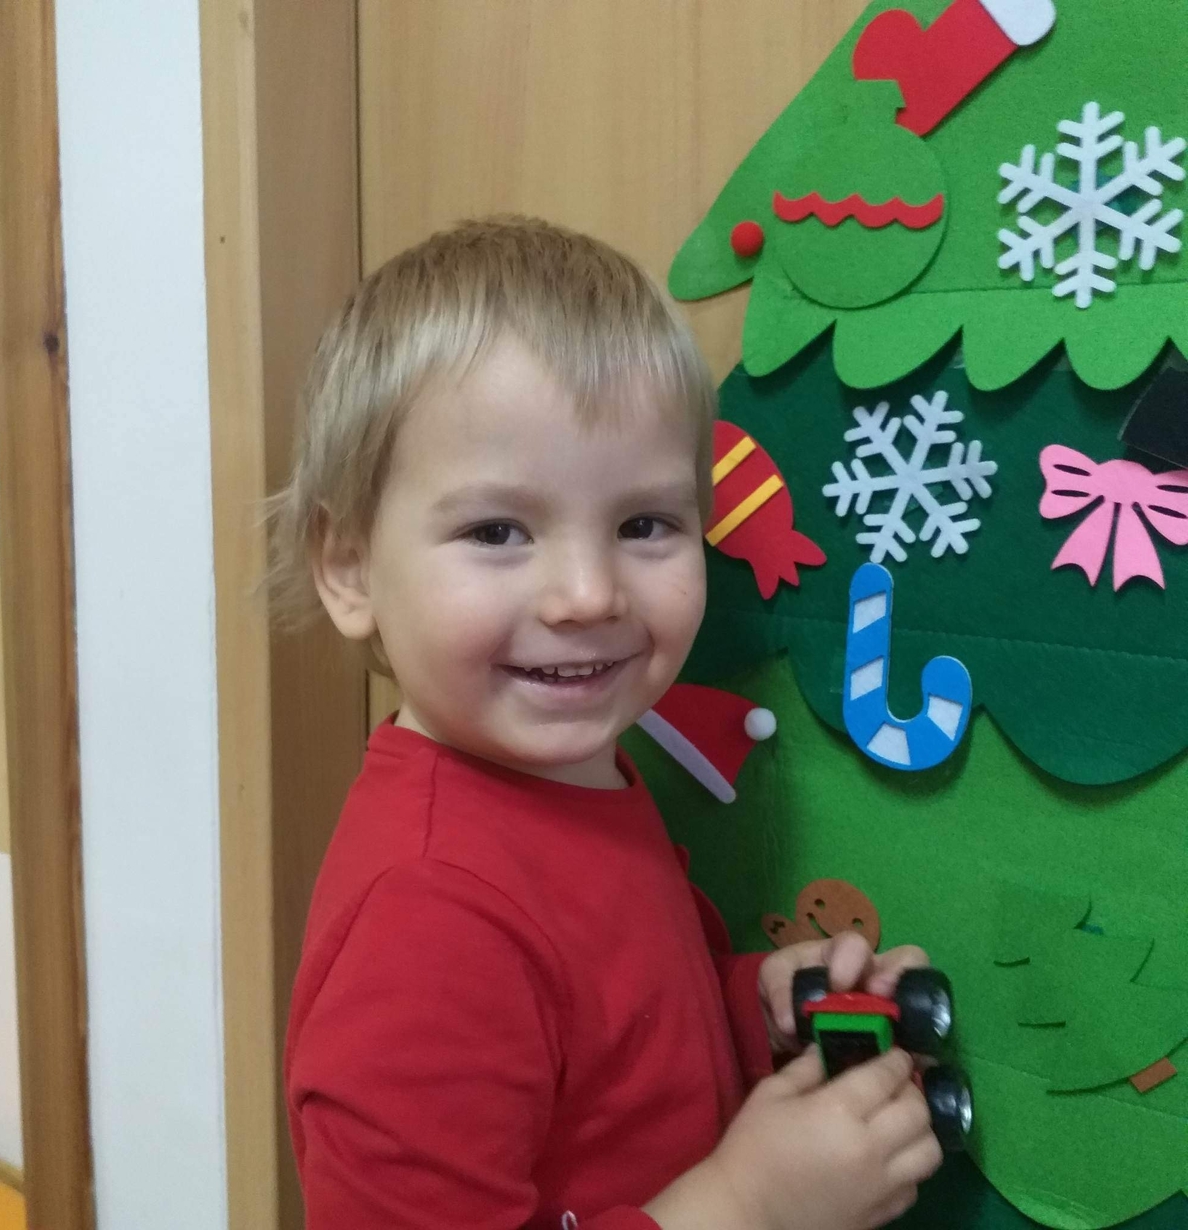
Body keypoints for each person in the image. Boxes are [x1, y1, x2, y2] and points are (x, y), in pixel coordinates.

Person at [270, 217, 944, 1230]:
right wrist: (750, 1205)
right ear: (350, 568)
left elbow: (609, 1045)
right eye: (498, 530)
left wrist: (753, 1010)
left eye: (644, 525)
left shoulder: (578, 780)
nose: (588, 594)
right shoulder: (428, 921)